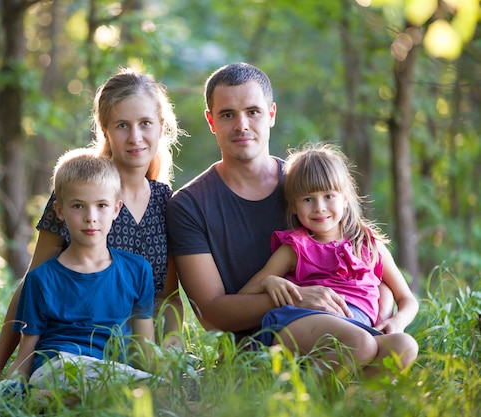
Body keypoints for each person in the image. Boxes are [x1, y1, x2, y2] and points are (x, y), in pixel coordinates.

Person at [0, 68, 183, 397]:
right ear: (106, 130)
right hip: (68, 348)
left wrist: (171, 353)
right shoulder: (80, 196)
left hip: (134, 347)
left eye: (145, 124)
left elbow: (169, 296)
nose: (135, 137)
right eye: (122, 125)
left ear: (161, 127)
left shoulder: (166, 202)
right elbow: (32, 284)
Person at [166, 62, 392, 339]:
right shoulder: (189, 206)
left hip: (349, 327)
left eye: (253, 112)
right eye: (227, 114)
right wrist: (294, 298)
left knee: (389, 352)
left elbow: (370, 265)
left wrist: (380, 312)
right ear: (211, 121)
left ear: (271, 114)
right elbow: (212, 317)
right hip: (260, 354)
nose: (242, 125)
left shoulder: (310, 188)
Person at [238, 143, 419, 377]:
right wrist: (268, 282)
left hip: (359, 330)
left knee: (404, 346)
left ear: (345, 198)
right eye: (308, 200)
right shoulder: (296, 247)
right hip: (302, 322)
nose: (319, 208)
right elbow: (244, 295)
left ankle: (353, 402)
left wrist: (397, 322)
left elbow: (407, 299)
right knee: (360, 343)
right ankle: (302, 403)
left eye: (329, 196)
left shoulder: (370, 246)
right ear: (293, 206)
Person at [0, 149, 157, 399]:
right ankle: (40, 399)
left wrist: (165, 374)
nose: (91, 218)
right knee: (129, 391)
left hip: (110, 371)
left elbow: (146, 349)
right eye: (78, 206)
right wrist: (3, 390)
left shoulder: (137, 271)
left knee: (162, 388)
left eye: (101, 206)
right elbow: (26, 354)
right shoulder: (41, 280)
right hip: (57, 366)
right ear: (59, 210)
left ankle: (54, 402)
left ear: (116, 209)